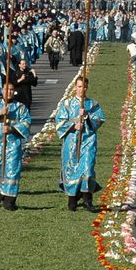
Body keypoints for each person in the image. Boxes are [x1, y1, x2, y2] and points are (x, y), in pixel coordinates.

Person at [53, 76, 105, 211]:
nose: (82, 89)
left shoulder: (92, 104)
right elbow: (59, 122)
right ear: (75, 87)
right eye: (80, 86)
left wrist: (87, 115)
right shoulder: (67, 104)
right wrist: (73, 125)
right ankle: (72, 198)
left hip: (88, 141)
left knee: (87, 167)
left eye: (85, 87)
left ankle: (88, 199)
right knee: (72, 169)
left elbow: (99, 120)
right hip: (72, 141)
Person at [0, 83, 32, 211]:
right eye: (6, 89)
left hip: (12, 145)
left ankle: (9, 200)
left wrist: (11, 128)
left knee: (12, 171)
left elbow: (26, 123)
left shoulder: (21, 108)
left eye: (11, 90)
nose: (8, 92)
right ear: (2, 90)